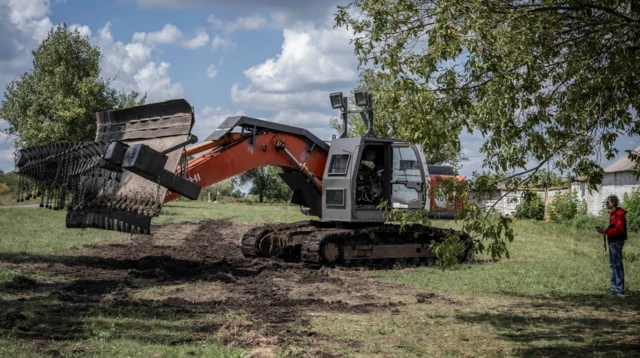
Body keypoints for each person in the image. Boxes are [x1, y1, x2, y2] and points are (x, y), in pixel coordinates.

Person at [596, 195, 627, 296]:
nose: (606, 204)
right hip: (612, 242)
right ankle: (614, 288)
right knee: (612, 265)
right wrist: (606, 230)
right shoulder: (614, 214)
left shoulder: (619, 214)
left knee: (617, 265)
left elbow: (619, 230)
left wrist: (605, 231)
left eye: (607, 202)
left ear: (613, 203)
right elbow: (613, 228)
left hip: (617, 242)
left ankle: (619, 289)